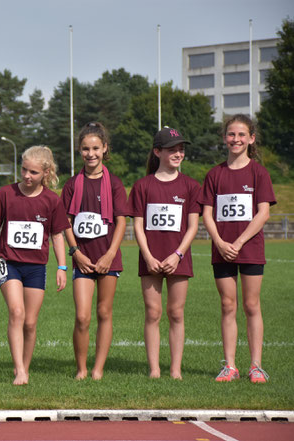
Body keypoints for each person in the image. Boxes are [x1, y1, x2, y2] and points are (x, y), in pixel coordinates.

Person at [0, 146, 69, 385]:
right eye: (24, 169)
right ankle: (19, 369)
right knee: (16, 312)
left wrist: (62, 267)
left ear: (46, 172)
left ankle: (25, 367)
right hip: (8, 263)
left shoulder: (52, 200)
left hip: (36, 268)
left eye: (33, 172)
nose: (27, 176)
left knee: (30, 322)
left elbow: (57, 235)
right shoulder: (5, 194)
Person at [201, 114, 276, 383]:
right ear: (224, 138)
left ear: (251, 139)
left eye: (242, 135)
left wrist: (239, 242)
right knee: (227, 305)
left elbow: (263, 213)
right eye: (231, 134)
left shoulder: (259, 173)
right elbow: (207, 214)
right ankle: (229, 366)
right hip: (221, 250)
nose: (236, 139)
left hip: (250, 248)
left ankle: (256, 366)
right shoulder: (214, 174)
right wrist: (221, 243)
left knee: (251, 304)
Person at [128, 127, 201, 379]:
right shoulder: (142, 186)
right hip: (150, 256)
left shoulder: (191, 186)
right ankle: (155, 370)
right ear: (157, 152)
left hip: (177, 257)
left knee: (176, 312)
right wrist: (148, 256)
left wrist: (178, 254)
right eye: (172, 149)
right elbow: (137, 225)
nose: (178, 153)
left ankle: (176, 369)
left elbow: (193, 226)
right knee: (153, 312)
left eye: (181, 149)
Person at [62, 122, 128, 380]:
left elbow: (122, 220)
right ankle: (81, 369)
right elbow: (64, 221)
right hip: (83, 260)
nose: (91, 154)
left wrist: (110, 254)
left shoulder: (114, 184)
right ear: (79, 151)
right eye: (85, 149)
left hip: (107, 259)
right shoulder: (72, 184)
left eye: (95, 148)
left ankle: (98, 369)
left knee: (104, 312)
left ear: (104, 148)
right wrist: (75, 252)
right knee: (82, 316)